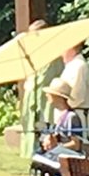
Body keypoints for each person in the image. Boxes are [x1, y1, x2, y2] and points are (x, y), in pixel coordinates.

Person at [18, 19, 62, 157]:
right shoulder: (36, 54)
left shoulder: (52, 54)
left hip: (46, 103)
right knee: (33, 131)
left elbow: (43, 80)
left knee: (45, 133)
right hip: (34, 100)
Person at [60, 41, 89, 142]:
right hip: (70, 115)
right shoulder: (72, 66)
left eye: (63, 49)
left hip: (80, 116)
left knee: (83, 146)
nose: (61, 53)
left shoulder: (79, 66)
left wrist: (63, 108)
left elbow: (77, 96)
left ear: (71, 49)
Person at [39, 77, 83, 152]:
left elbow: (76, 145)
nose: (46, 95)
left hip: (67, 159)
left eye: (50, 93)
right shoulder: (57, 114)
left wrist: (57, 147)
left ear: (57, 96)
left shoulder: (71, 117)